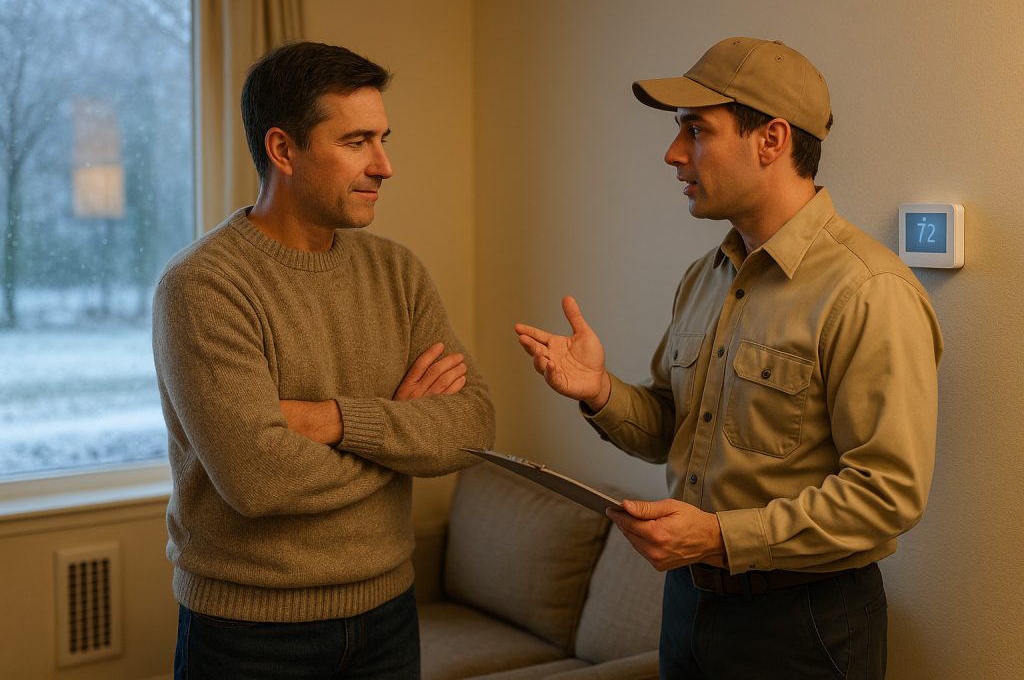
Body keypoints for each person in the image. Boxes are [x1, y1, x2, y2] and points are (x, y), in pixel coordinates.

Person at [515, 37, 941, 679]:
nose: (672, 153)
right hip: (688, 605)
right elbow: (672, 428)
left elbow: (888, 495)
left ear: (771, 140)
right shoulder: (706, 276)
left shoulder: (868, 291)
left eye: (696, 131)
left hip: (803, 622)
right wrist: (598, 390)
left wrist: (718, 537)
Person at [152, 41, 495, 679]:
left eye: (383, 139)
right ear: (283, 150)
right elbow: (258, 481)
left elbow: (473, 428)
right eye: (357, 142)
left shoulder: (399, 272)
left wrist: (333, 421)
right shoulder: (202, 285)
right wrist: (400, 432)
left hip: (390, 614)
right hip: (248, 634)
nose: (385, 166)